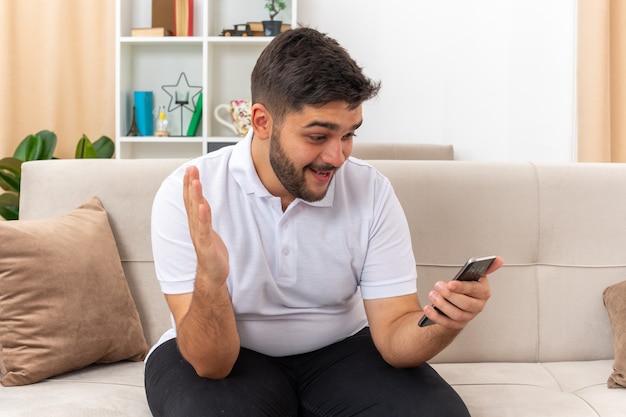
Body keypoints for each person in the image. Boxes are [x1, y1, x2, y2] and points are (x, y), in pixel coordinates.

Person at [145, 27, 503, 417]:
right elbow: (212, 364)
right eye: (318, 136)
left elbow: (394, 338)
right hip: (227, 357)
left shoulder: (371, 192)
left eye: (349, 135)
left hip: (340, 353)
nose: (337, 156)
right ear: (262, 122)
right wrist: (211, 280)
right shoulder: (188, 194)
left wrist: (444, 322)